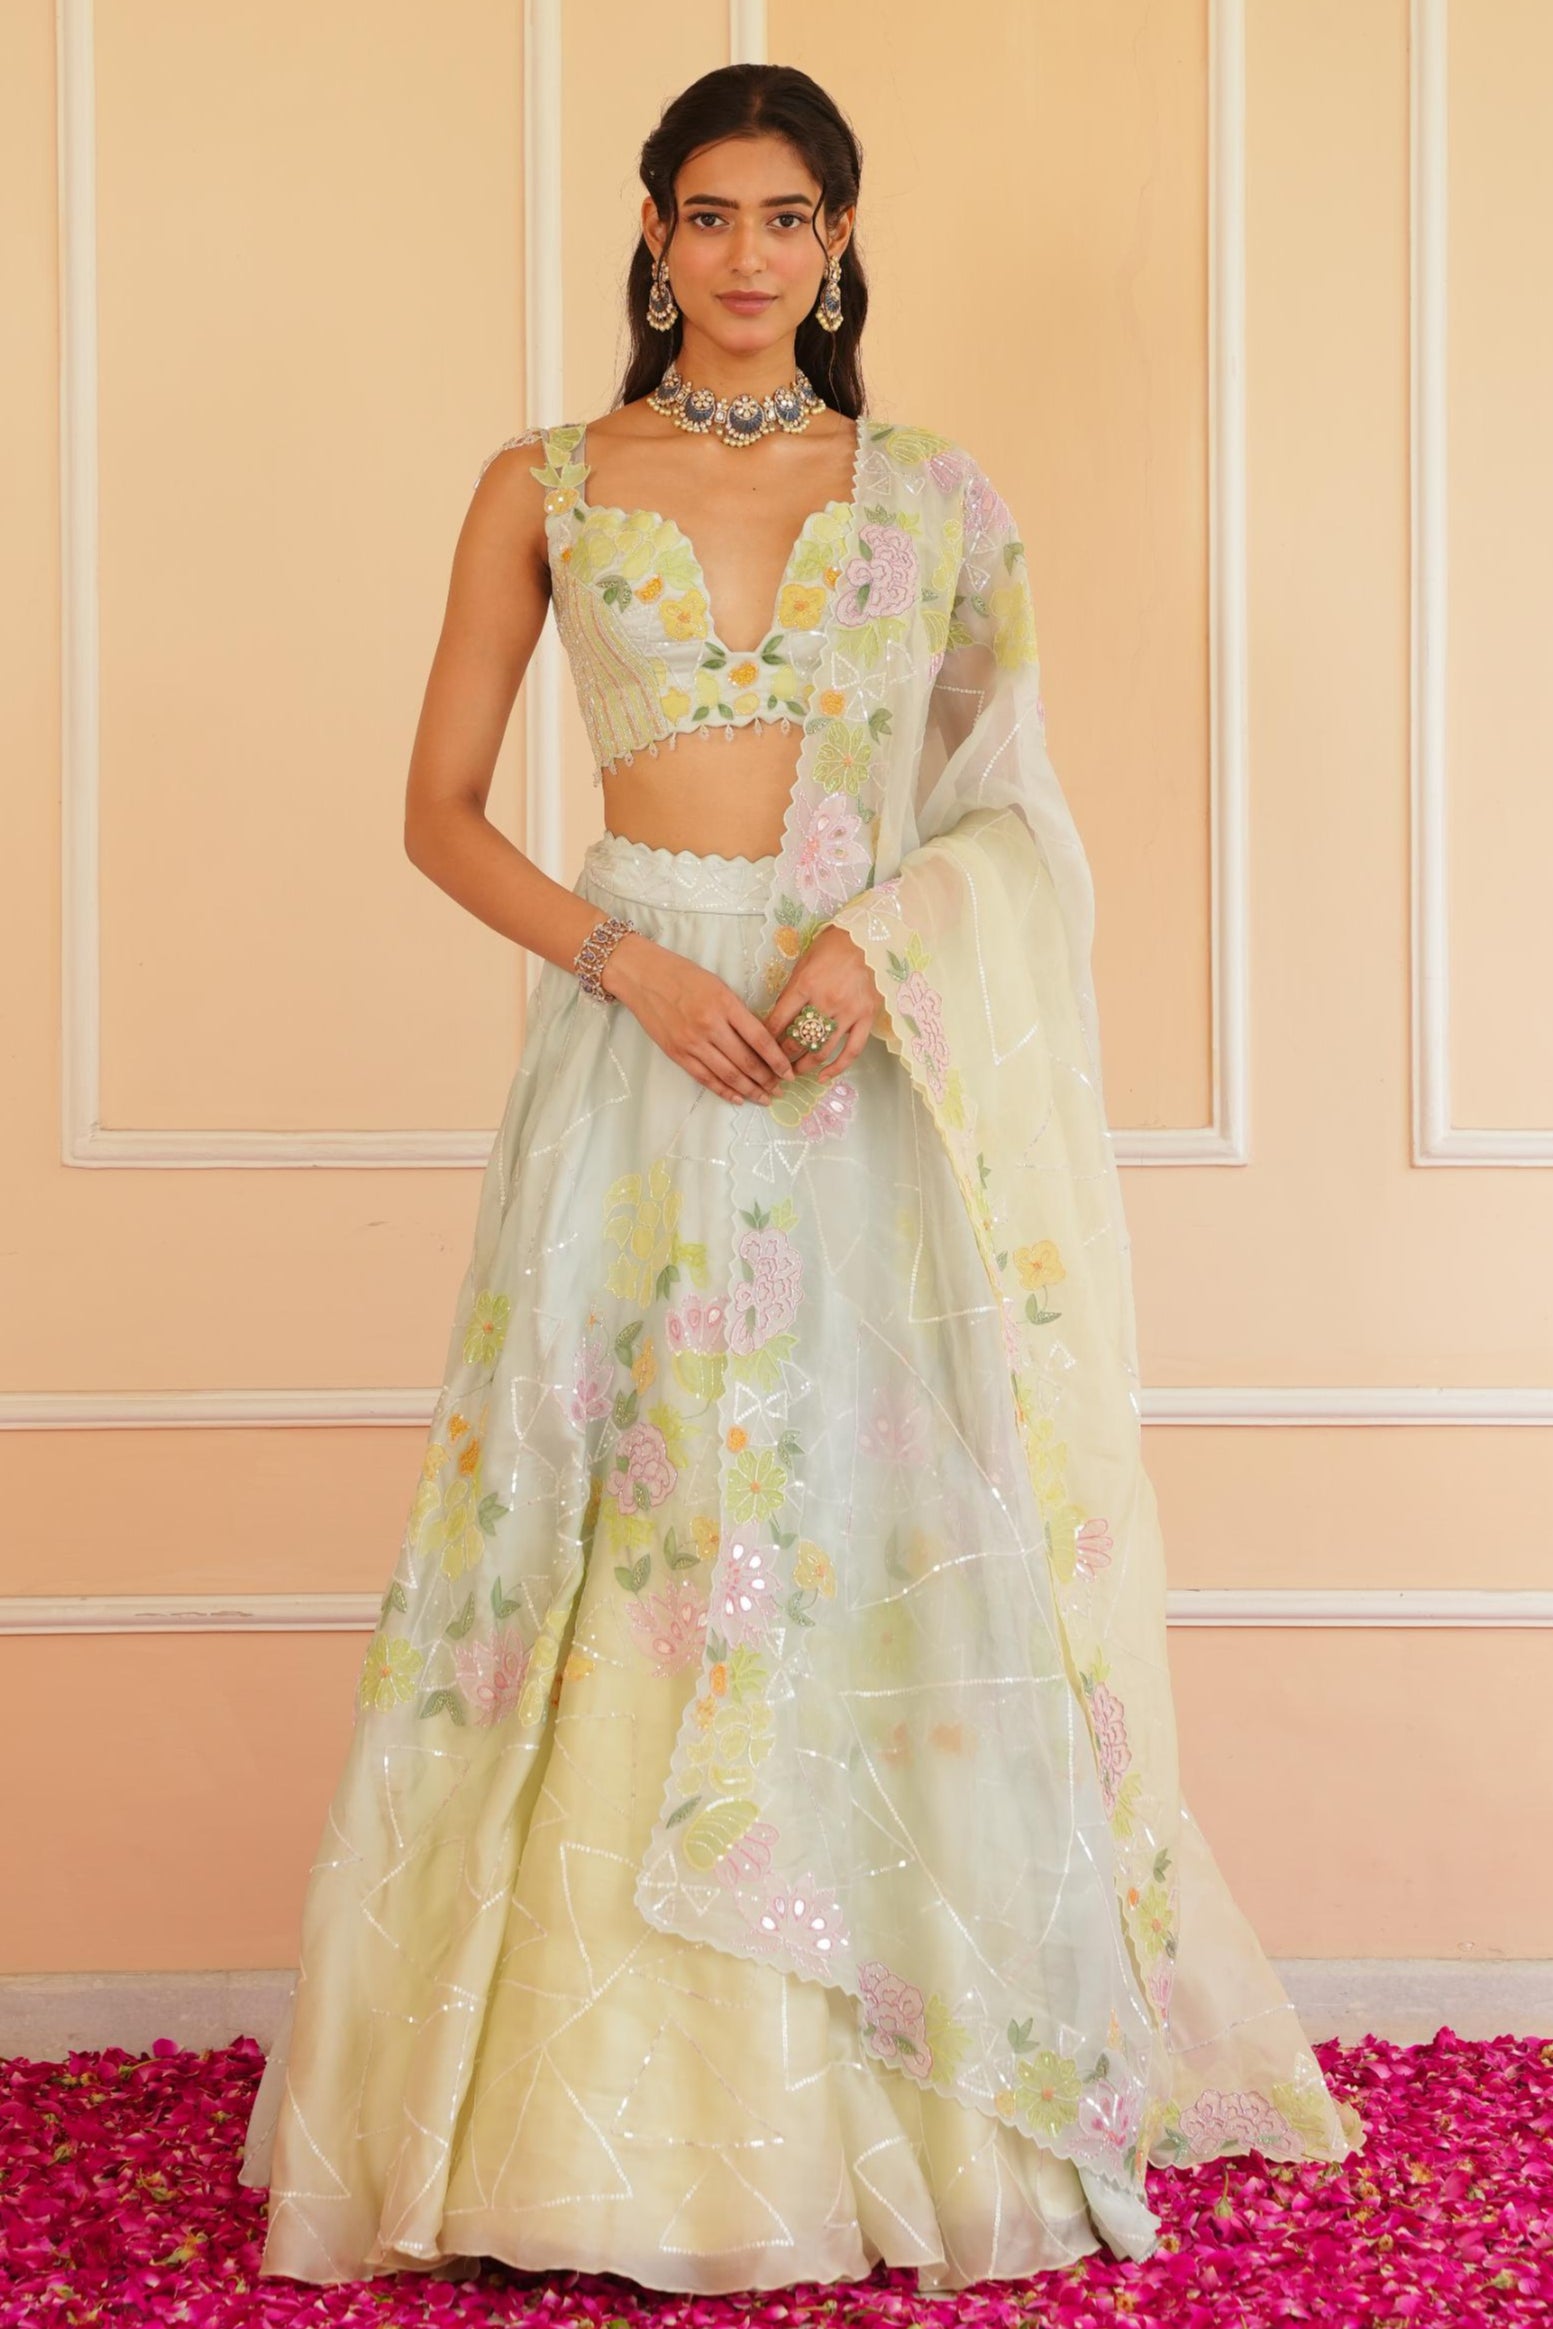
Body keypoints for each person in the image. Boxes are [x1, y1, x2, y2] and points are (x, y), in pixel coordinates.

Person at [238, 60, 1363, 2299]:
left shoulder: (931, 495)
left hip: (854, 1077)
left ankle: (895, 2093)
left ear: (839, 245)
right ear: (652, 233)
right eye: (708, 214)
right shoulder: (545, 485)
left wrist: (878, 942)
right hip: (637, 1055)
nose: (746, 256)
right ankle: (581, 2127)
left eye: (788, 218)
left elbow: (1010, 812)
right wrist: (634, 963)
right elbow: (439, 808)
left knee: (846, 1518)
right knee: (606, 1524)